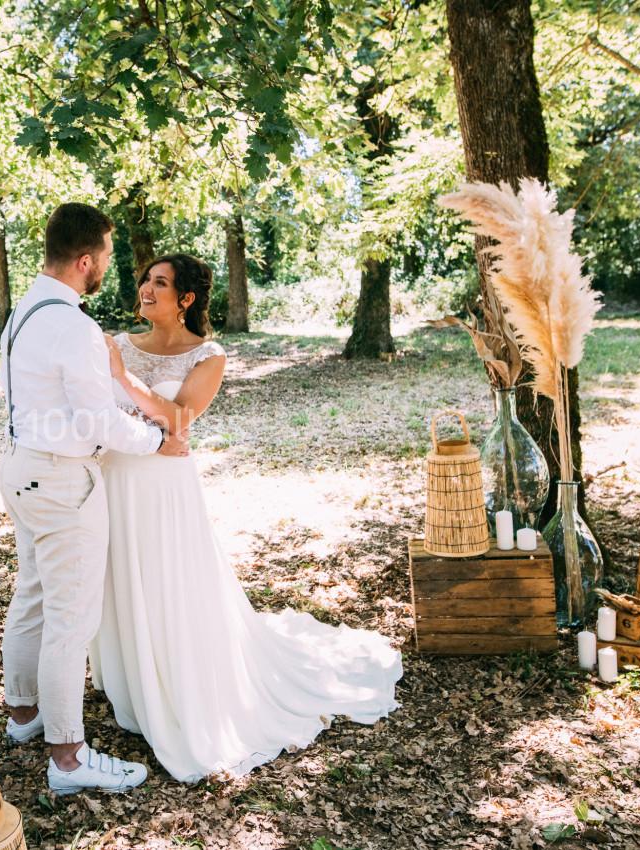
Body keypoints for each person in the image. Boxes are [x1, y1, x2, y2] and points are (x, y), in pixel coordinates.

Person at [90, 253, 405, 782]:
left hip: (163, 489)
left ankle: (178, 684)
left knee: (168, 583)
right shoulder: (117, 343)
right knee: (121, 578)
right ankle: (132, 682)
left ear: (186, 299)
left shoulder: (206, 356)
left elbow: (180, 418)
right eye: (146, 279)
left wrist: (122, 378)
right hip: (113, 478)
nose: (146, 288)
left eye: (160, 282)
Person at [0, 203, 189, 795]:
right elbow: (97, 422)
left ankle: (23, 715)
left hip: (21, 467)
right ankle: (69, 758)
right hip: (61, 481)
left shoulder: (25, 310)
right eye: (105, 256)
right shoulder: (74, 325)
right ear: (85, 260)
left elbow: (67, 394)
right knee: (70, 620)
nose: (108, 266)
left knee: (31, 596)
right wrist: (156, 439)